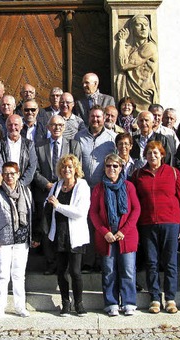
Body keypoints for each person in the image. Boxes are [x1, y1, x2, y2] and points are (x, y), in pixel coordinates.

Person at [131, 141, 180, 314]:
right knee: (152, 262)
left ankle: (170, 298)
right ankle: (155, 298)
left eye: (156, 153)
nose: (152, 156)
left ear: (162, 155)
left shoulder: (173, 172)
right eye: (149, 153)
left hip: (170, 222)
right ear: (145, 156)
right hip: (147, 224)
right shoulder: (138, 175)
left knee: (170, 263)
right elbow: (134, 201)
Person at [90, 154, 140, 317]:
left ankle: (128, 302)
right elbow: (94, 213)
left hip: (126, 235)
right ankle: (111, 302)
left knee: (127, 269)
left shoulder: (128, 186)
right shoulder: (99, 188)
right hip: (107, 236)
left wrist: (123, 231)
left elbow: (136, 210)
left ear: (121, 168)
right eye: (108, 166)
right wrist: (105, 232)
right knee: (109, 270)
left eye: (115, 166)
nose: (111, 169)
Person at [33, 115, 83, 275]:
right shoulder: (39, 146)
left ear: (65, 127)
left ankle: (67, 263)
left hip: (68, 190)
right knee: (48, 225)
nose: (57, 128)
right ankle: (51, 262)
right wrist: (48, 185)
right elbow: (35, 170)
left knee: (65, 226)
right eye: (53, 125)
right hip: (46, 190)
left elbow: (78, 168)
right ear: (48, 127)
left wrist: (65, 185)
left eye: (60, 125)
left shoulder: (73, 145)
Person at [44, 154, 90, 317]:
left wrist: (58, 206)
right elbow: (49, 204)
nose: (67, 169)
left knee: (75, 272)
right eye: (64, 167)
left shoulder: (82, 186)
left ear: (75, 168)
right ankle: (65, 302)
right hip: (59, 233)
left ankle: (79, 303)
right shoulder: (57, 185)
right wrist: (49, 203)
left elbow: (80, 212)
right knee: (61, 271)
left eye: (70, 166)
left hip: (75, 235)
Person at [0, 162, 34, 318]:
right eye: (6, 173)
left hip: (22, 239)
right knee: (2, 274)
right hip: (3, 240)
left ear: (18, 174)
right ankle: (0, 306)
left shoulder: (26, 192)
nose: (9, 176)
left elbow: (32, 213)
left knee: (19, 274)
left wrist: (33, 236)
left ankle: (20, 307)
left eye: (12, 173)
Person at [75, 105, 117, 273]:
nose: (96, 120)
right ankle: (88, 261)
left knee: (102, 223)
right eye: (93, 117)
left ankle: (102, 260)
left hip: (103, 187)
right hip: (84, 188)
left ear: (104, 118)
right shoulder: (79, 137)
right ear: (88, 117)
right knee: (86, 225)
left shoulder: (111, 138)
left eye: (99, 117)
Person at [116, 14, 159, 112]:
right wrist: (122, 42)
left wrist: (122, 41)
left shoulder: (150, 47)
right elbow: (122, 62)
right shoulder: (130, 48)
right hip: (129, 91)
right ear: (132, 28)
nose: (144, 28)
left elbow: (123, 65)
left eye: (146, 25)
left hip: (144, 92)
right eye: (139, 25)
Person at [0, 114, 38, 186]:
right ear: (6, 126)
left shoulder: (29, 144)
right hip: (4, 186)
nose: (13, 127)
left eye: (16, 124)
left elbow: (32, 166)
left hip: (23, 187)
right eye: (10, 125)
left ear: (21, 126)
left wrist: (20, 184)